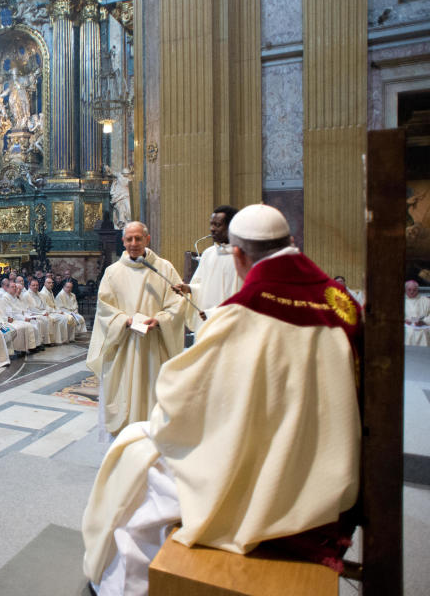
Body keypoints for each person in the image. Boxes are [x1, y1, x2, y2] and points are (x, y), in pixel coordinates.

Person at [82, 204, 361, 596]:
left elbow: (183, 400)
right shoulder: (341, 301)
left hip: (268, 467)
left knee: (130, 457)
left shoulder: (241, 314)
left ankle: (121, 586)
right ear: (291, 243)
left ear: (240, 256)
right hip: (332, 464)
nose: (131, 243)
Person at [87, 221, 185, 437]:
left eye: (138, 238)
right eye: (129, 239)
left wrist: (160, 319)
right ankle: (126, 442)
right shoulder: (113, 272)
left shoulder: (164, 268)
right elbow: (104, 308)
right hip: (125, 345)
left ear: (147, 240)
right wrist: (124, 321)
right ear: (123, 242)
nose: (133, 243)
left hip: (154, 345)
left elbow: (178, 303)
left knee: (152, 396)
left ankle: (153, 441)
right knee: (125, 396)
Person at [172, 205, 243, 331]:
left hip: (231, 325)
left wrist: (216, 313)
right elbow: (202, 286)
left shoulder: (242, 256)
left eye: (217, 225)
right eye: (211, 224)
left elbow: (241, 295)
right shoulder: (208, 253)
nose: (212, 229)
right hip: (206, 321)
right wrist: (188, 288)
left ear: (232, 226)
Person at [404, 279, 430, 346]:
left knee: (424, 332)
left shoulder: (426, 301)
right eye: (409, 290)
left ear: (417, 290)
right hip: (406, 327)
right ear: (405, 290)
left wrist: (424, 322)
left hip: (423, 327)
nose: (412, 292)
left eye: (414, 290)